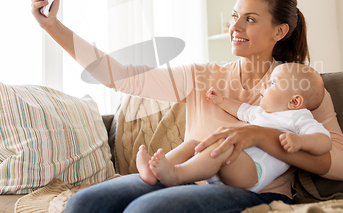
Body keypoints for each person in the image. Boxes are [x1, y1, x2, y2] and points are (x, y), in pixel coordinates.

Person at [30, 0, 343, 213]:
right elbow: (121, 76)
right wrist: (51, 25)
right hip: (181, 174)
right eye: (234, 16)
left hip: (251, 192)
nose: (234, 28)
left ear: (279, 31)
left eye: (250, 20)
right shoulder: (202, 76)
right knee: (85, 205)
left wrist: (259, 136)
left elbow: (340, 165)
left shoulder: (299, 85)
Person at [136, 63, 331, 194]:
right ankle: (152, 174)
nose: (265, 84)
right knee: (194, 144)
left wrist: (300, 141)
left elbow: (324, 140)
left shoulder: (299, 117)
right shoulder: (261, 113)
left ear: (295, 101)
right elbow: (241, 110)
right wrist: (221, 101)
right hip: (229, 163)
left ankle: (176, 174)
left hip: (254, 172)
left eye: (273, 83)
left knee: (224, 146)